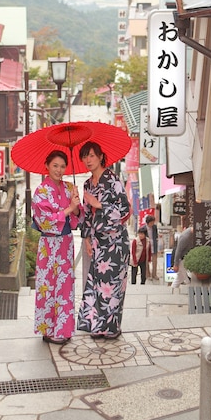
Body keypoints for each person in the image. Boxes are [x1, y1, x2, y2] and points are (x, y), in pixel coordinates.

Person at [77, 141, 130, 339]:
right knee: (98, 284)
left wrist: (98, 203)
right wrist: (87, 239)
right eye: (85, 156)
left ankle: (112, 328)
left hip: (115, 242)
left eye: (91, 155)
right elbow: (87, 216)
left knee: (114, 285)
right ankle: (98, 325)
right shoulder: (87, 185)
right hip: (98, 242)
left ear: (100, 157)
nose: (88, 160)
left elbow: (125, 210)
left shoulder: (113, 180)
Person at [32, 150, 83, 345]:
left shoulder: (69, 187)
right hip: (49, 244)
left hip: (66, 242)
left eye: (62, 166)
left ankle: (63, 329)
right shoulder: (41, 191)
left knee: (65, 285)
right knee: (48, 285)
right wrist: (69, 208)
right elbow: (44, 221)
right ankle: (48, 329)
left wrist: (76, 205)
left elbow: (77, 218)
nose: (59, 170)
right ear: (47, 165)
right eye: (55, 165)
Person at [145, 215, 159, 281]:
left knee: (155, 261)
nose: (152, 224)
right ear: (148, 222)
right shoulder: (144, 228)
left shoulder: (154, 227)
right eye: (151, 222)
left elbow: (156, 236)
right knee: (147, 261)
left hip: (154, 245)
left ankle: (154, 274)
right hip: (147, 246)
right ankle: (148, 275)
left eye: (153, 222)